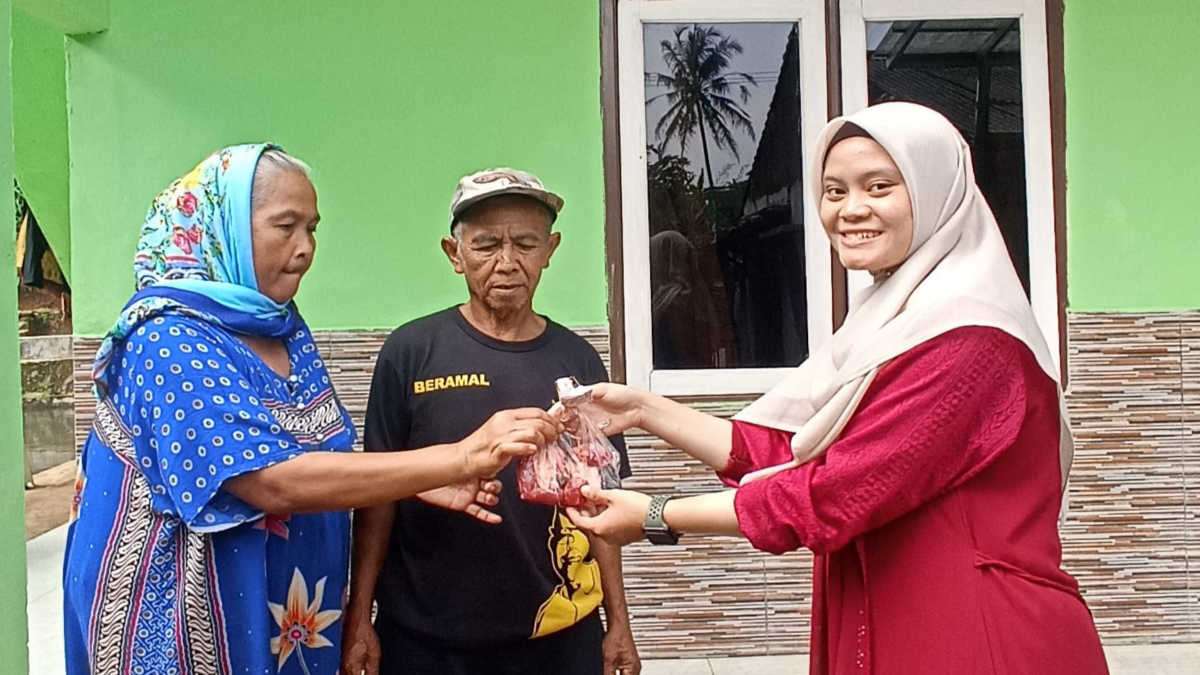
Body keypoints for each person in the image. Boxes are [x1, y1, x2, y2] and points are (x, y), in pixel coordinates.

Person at [566, 103, 1108, 673]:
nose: (850, 210)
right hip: (899, 616)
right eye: (833, 190)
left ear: (935, 192)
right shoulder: (891, 319)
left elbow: (833, 493)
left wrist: (655, 514)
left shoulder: (969, 337)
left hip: (979, 634)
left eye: (879, 186)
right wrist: (643, 409)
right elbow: (785, 449)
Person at [61, 145, 560, 674]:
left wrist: (416, 481)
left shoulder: (281, 329)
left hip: (286, 624)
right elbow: (266, 479)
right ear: (224, 229)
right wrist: (458, 458)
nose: (305, 249)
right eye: (285, 227)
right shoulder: (166, 338)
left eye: (312, 228)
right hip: (186, 622)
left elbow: (315, 455)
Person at [342, 168, 641, 675]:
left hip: (559, 637)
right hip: (425, 642)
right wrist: (359, 619)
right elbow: (376, 497)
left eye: (525, 243)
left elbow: (599, 500)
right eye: (486, 245)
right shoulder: (410, 352)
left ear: (550, 249)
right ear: (454, 254)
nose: (507, 262)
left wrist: (619, 622)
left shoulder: (578, 361)